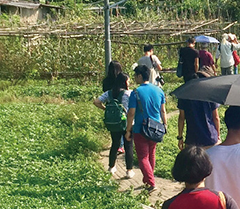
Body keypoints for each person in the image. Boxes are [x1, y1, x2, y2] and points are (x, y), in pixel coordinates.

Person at [125, 64, 168, 192]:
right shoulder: (159, 90)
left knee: (143, 157)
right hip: (155, 128)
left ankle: (151, 182)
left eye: (135, 76)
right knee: (151, 154)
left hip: (140, 129)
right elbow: (163, 110)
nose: (134, 78)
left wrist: (128, 130)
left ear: (139, 76)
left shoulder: (136, 92)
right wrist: (165, 124)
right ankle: (148, 180)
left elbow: (131, 113)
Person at [94, 71, 135, 179]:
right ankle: (129, 171)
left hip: (114, 123)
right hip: (127, 123)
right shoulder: (129, 93)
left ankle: (111, 167)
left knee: (115, 144)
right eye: (128, 81)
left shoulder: (109, 93)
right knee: (129, 146)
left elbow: (96, 102)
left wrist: (105, 108)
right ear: (124, 82)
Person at [177, 70, 221, 151]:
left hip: (192, 139)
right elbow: (216, 118)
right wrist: (218, 135)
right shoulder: (210, 94)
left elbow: (181, 118)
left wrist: (180, 137)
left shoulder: (184, 95)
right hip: (210, 138)